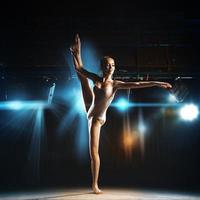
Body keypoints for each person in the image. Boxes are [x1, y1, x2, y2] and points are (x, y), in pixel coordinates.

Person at [70, 34, 172, 194]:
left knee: (94, 153)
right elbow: (79, 69)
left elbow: (138, 83)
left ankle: (94, 185)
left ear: (114, 67)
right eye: (107, 65)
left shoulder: (115, 84)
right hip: (89, 108)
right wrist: (77, 52)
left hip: (96, 119)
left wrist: (157, 83)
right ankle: (73, 51)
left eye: (112, 65)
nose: (110, 67)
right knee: (82, 78)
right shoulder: (96, 79)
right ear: (102, 67)